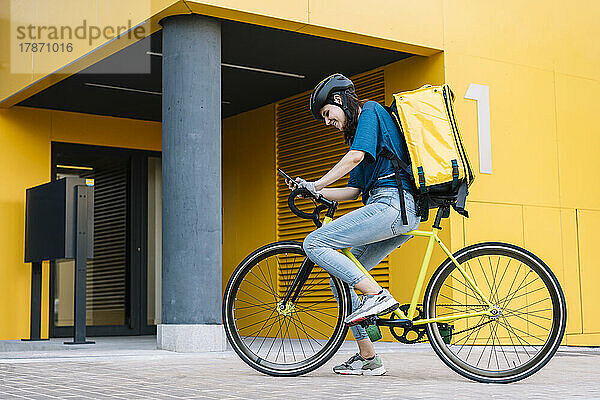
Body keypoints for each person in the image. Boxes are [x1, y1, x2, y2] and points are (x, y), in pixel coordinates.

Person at [286, 73, 420, 376]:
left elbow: (355, 157)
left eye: (327, 114)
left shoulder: (370, 111)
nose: (327, 122)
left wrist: (319, 182)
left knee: (315, 242)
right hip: (390, 209)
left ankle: (376, 295)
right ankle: (368, 358)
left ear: (338, 100)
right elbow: (353, 192)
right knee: (342, 279)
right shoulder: (363, 133)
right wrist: (314, 190)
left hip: (391, 205)